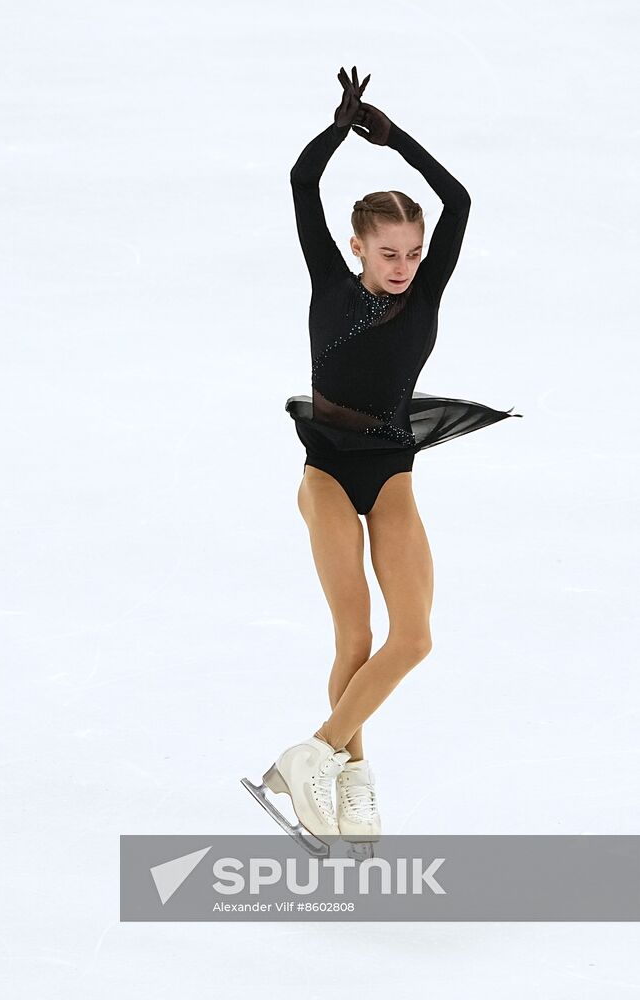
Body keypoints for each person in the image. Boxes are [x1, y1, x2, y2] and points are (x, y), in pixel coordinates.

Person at [241, 66, 522, 856]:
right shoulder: (329, 282)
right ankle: (350, 780)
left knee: (415, 638)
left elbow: (458, 200)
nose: (400, 263)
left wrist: (396, 140)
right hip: (326, 472)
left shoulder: (425, 295)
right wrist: (340, 129)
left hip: (392, 467)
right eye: (386, 250)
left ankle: (314, 757)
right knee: (355, 639)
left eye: (412, 251)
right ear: (357, 246)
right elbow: (301, 180)